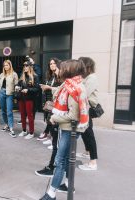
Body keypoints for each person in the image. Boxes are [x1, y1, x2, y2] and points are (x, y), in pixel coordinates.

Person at [39, 59, 89, 200]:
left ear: (70, 70)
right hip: (68, 129)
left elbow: (73, 115)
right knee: (66, 159)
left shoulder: (74, 88)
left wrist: (55, 118)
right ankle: (68, 184)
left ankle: (51, 193)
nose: (60, 70)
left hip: (68, 129)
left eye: (63, 68)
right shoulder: (71, 84)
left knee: (60, 160)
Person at [35, 58, 62, 177]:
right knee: (55, 139)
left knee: (58, 143)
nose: (52, 65)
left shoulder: (61, 78)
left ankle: (53, 167)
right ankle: (54, 166)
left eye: (54, 63)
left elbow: (60, 91)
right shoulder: (50, 76)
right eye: (50, 63)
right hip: (49, 106)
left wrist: (49, 88)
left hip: (57, 109)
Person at [77, 57, 99, 171]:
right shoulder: (85, 77)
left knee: (88, 133)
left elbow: (84, 92)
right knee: (85, 132)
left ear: (87, 66)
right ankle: (87, 152)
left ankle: (93, 162)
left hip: (88, 108)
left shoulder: (92, 77)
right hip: (84, 107)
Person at [16, 61, 39, 139]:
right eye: (24, 65)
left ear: (30, 66)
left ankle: (31, 132)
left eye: (26, 65)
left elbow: (36, 88)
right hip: (21, 98)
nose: (25, 67)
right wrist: (17, 86)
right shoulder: (22, 76)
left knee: (30, 116)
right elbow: (18, 84)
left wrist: (28, 90)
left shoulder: (35, 76)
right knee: (22, 115)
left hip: (29, 98)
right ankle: (24, 130)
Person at [0, 60, 18, 137]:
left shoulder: (14, 74)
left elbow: (16, 85)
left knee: (9, 111)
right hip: (2, 93)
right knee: (3, 111)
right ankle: (7, 124)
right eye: (4, 65)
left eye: (7, 65)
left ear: (10, 65)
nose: (5, 67)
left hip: (9, 94)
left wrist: (16, 94)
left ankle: (11, 128)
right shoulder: (2, 74)